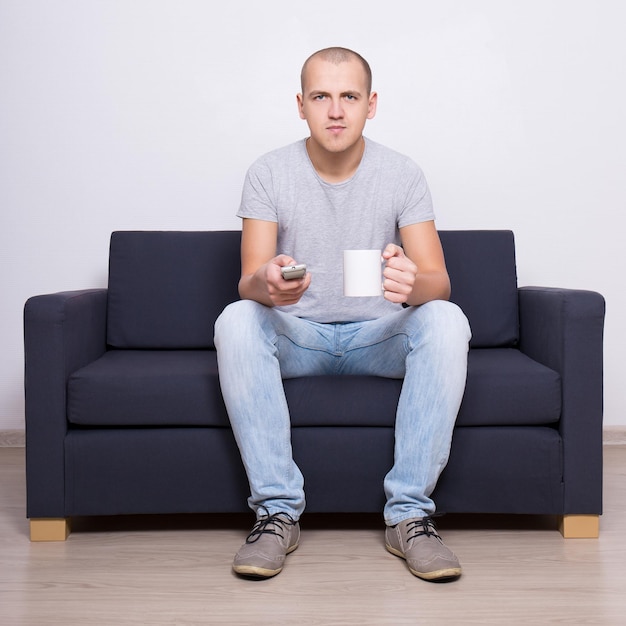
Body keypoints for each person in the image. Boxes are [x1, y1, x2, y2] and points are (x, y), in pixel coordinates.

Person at [214, 46, 471, 582]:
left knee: (447, 318)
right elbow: (247, 281)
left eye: (349, 96)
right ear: (301, 105)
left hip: (378, 335)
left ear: (370, 104)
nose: (335, 111)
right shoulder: (268, 172)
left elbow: (438, 283)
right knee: (235, 318)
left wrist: (411, 282)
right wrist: (266, 285)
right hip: (299, 335)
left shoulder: (402, 173)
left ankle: (409, 517)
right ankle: (277, 512)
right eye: (321, 97)